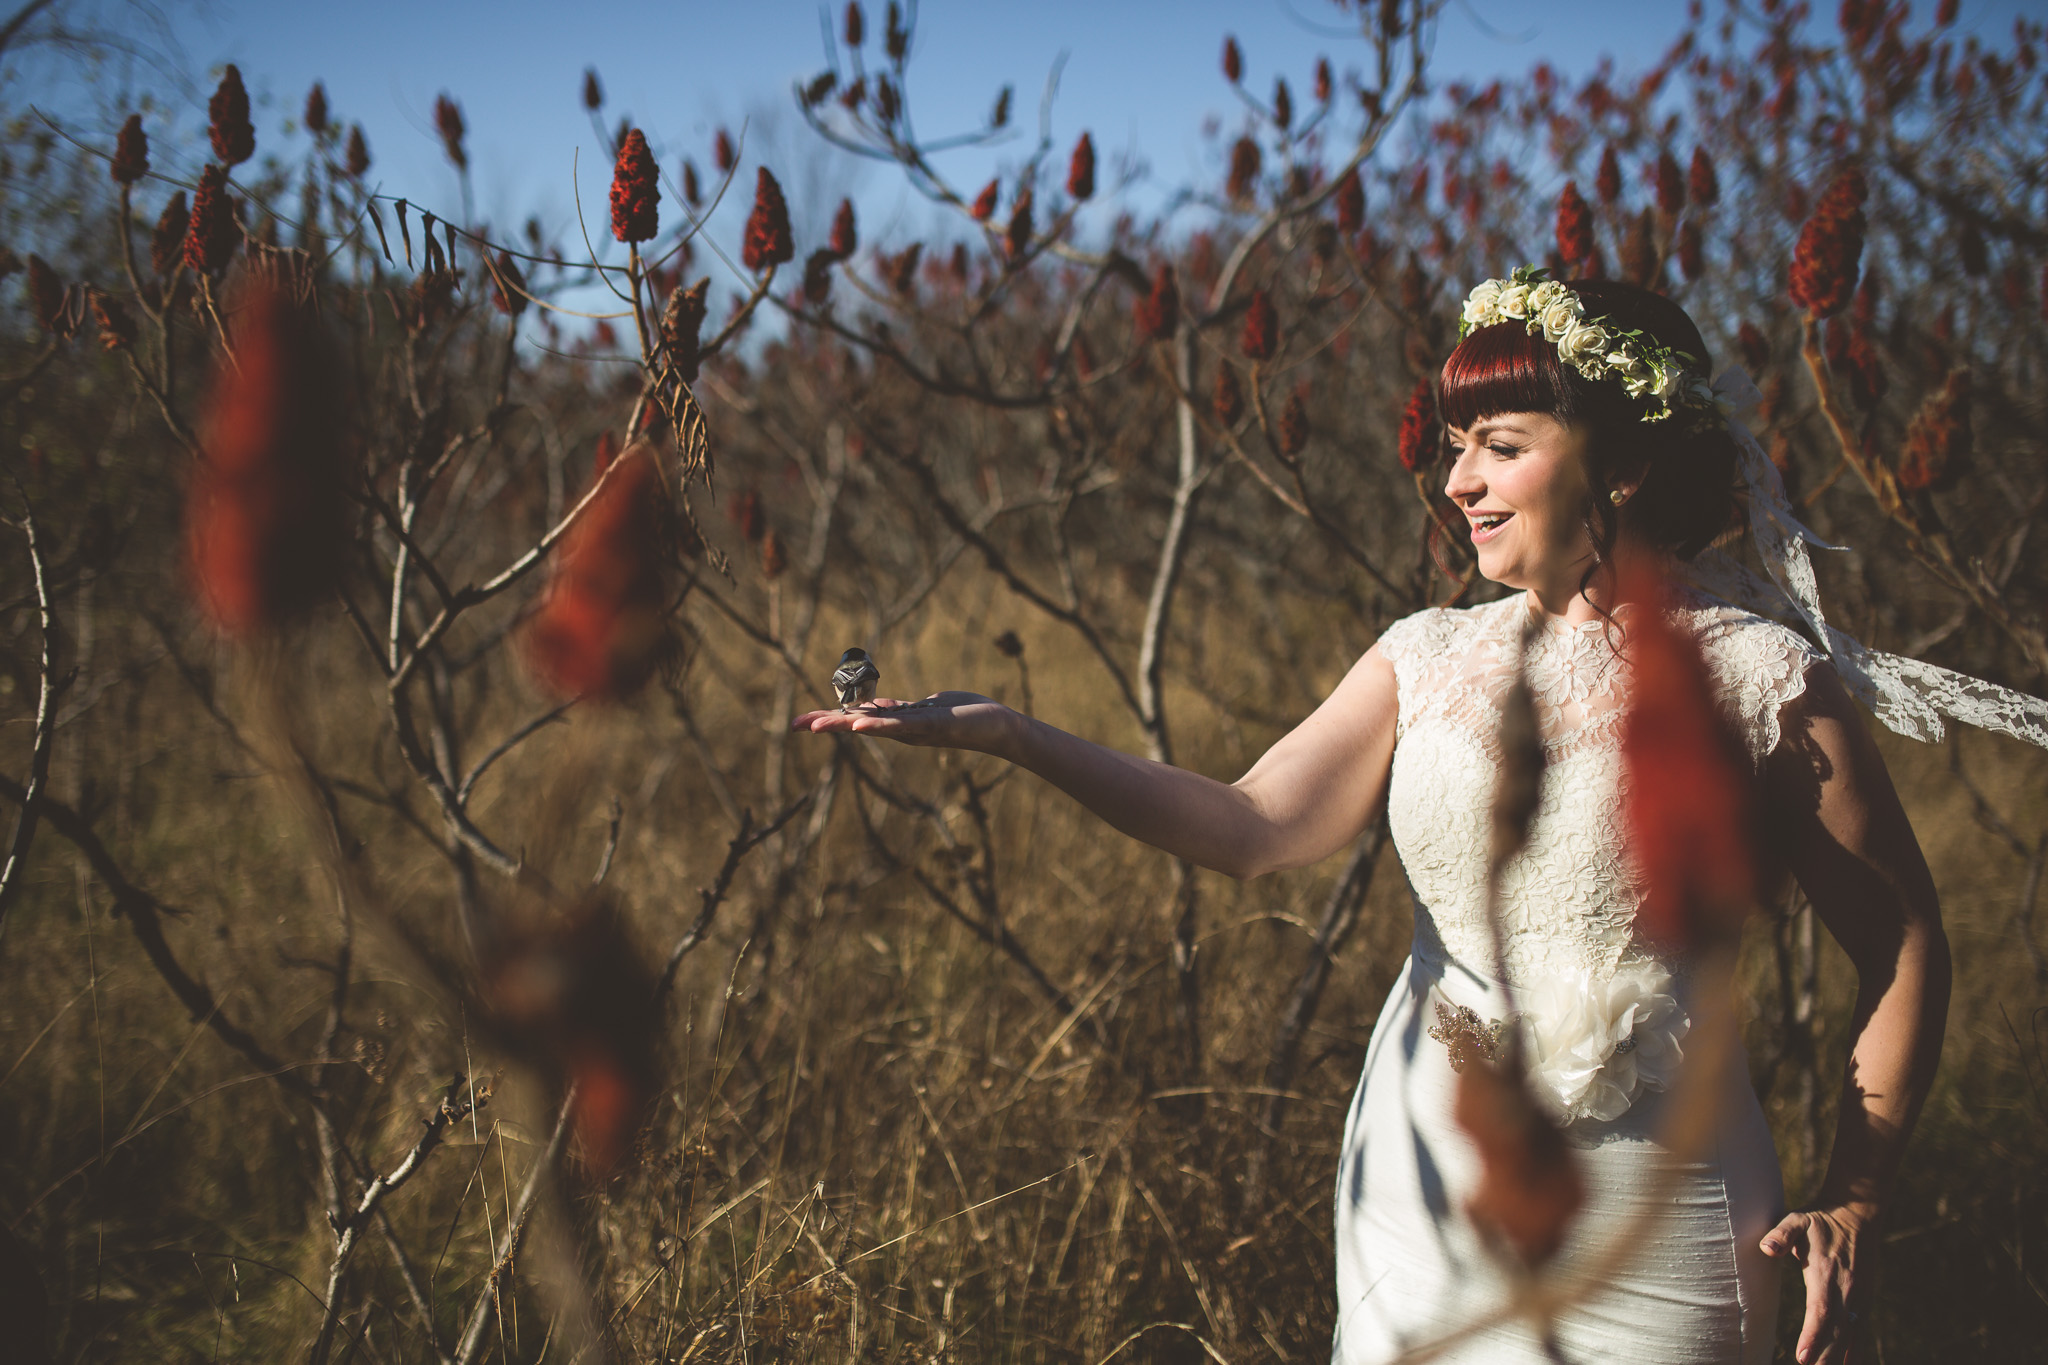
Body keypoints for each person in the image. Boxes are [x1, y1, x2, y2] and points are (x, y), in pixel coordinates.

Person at [793, 274, 2039, 1363]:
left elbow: (1901, 941)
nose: (1455, 483)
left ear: (1622, 461)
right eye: (1453, 446)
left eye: (1496, 444)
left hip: (1655, 1223)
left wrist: (1856, 1201)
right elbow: (1249, 826)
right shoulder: (1423, 653)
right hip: (1416, 1195)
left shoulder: (1753, 676)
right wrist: (1016, 734)